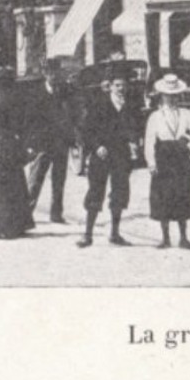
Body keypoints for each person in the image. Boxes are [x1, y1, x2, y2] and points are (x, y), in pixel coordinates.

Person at [77, 70, 139, 248]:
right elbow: (87, 130)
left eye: (123, 86)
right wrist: (97, 146)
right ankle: (87, 235)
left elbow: (135, 128)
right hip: (101, 155)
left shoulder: (130, 106)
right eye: (117, 85)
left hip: (121, 155)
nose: (121, 89)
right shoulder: (98, 104)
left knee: (119, 192)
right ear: (110, 86)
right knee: (95, 192)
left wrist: (133, 142)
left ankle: (115, 233)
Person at [144, 74, 190, 249]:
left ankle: (184, 238)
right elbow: (149, 141)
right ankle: (165, 238)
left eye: (174, 95)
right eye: (168, 95)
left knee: (182, 195)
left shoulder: (185, 114)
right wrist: (151, 163)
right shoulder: (155, 116)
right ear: (162, 96)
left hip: (181, 159)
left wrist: (188, 147)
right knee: (163, 196)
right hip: (163, 158)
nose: (171, 99)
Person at [0, 82, 35, 240]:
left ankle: (18, 226)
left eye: (3, 94)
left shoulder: (11, 112)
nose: (0, 97)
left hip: (12, 154)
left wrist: (24, 150)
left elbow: (20, 131)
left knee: (16, 191)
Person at [25, 58, 75, 224]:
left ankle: (56, 214)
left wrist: (71, 136)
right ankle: (25, 213)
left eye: (56, 72)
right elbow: (30, 121)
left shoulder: (64, 90)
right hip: (43, 144)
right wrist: (32, 144)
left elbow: (71, 113)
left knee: (59, 179)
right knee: (35, 178)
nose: (54, 76)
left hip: (61, 142)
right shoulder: (36, 94)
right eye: (50, 73)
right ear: (45, 73)